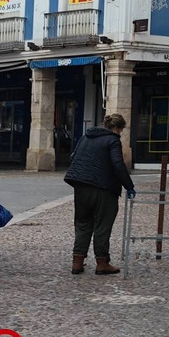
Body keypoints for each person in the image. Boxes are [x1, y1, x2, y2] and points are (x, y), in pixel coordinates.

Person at [64, 113, 135, 275]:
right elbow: (118, 164)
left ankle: (77, 262)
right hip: (103, 189)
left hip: (81, 186)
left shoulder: (87, 136)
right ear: (117, 128)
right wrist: (129, 186)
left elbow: (73, 157)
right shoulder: (112, 140)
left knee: (82, 223)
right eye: (121, 130)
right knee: (102, 225)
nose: (121, 133)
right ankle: (102, 263)